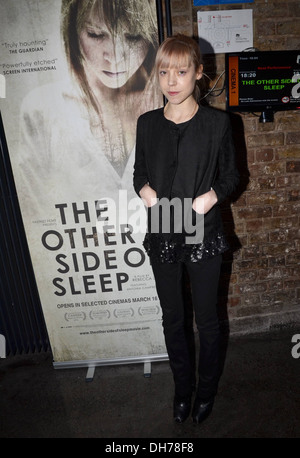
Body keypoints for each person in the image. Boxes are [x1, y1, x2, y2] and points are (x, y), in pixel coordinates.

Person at [133, 34, 239, 424]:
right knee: (172, 317)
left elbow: (231, 175)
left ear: (198, 73)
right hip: (162, 227)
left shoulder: (217, 124)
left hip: (202, 229)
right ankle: (183, 390)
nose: (171, 81)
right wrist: (143, 189)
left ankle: (206, 390)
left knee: (208, 319)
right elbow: (139, 171)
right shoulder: (147, 124)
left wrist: (211, 196)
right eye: (164, 72)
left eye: (180, 71)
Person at [17, 0, 161, 216]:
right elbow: (36, 215)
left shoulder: (167, 102)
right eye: (96, 34)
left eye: (133, 36)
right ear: (73, 30)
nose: (114, 57)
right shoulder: (42, 110)